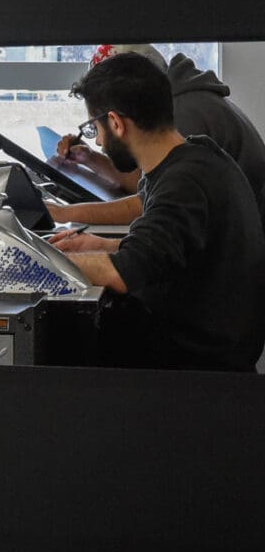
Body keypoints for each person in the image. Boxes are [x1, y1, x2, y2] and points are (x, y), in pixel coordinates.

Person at [51, 53, 265, 371]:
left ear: (116, 123)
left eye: (94, 129)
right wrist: (97, 244)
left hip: (200, 362)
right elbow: (163, 250)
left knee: (56, 341)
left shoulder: (183, 182)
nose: (98, 142)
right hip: (210, 340)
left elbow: (123, 272)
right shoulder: (194, 155)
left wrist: (40, 261)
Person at [53, 45, 265, 221]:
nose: (99, 139)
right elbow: (147, 184)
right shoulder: (182, 102)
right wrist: (90, 159)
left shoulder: (183, 114)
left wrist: (62, 213)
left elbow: (148, 203)